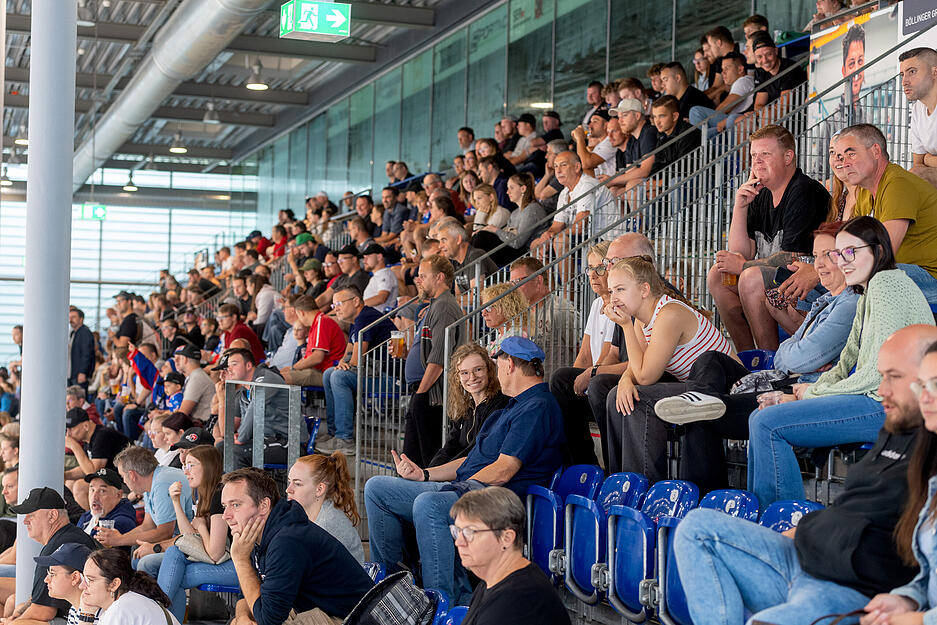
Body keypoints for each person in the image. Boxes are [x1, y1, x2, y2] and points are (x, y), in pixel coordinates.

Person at [673, 326, 937, 625]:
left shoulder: (927, 452)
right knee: (696, 527)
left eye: (894, 376)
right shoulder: (898, 428)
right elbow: (854, 505)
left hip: (846, 588)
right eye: (881, 376)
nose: (882, 389)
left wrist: (909, 605)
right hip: (799, 557)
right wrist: (802, 533)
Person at [747, 216, 936, 507]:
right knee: (759, 417)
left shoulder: (886, 285)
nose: (842, 261)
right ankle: (764, 515)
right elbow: (847, 359)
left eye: (852, 252)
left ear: (879, 252)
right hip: (876, 400)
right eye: (839, 253)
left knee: (767, 423)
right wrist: (810, 390)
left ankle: (779, 526)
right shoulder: (869, 289)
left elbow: (875, 377)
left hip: (893, 407)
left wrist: (812, 392)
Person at [365, 336, 565, 605]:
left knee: (429, 504)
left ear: (510, 366)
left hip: (496, 498)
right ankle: (389, 586)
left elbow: (504, 470)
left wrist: (455, 488)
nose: (496, 371)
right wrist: (424, 474)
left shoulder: (537, 406)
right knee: (377, 488)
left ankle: (442, 604)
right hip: (472, 487)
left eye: (497, 363)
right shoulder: (512, 406)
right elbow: (471, 459)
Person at [602, 256, 736, 479]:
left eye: (620, 290)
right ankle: (621, 482)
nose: (613, 299)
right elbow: (638, 366)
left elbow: (645, 377)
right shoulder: (641, 320)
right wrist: (625, 379)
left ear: (644, 289)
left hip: (725, 389)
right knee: (616, 394)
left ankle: (645, 487)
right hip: (696, 387)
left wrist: (625, 327)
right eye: (611, 291)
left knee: (639, 399)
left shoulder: (669, 314)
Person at [708, 124, 830, 351]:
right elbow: (741, 251)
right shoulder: (760, 193)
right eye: (754, 155)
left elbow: (795, 257)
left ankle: (769, 365)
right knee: (717, 275)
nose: (757, 161)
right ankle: (747, 357)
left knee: (751, 277)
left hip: (812, 282)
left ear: (787, 157)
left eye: (765, 154)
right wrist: (740, 206)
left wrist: (743, 265)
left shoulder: (804, 191)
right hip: (775, 278)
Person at [222, 468, 373, 625]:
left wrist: (240, 560)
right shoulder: (258, 533)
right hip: (316, 611)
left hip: (350, 619)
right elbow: (246, 590)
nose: (226, 515)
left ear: (263, 506)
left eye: (236, 505)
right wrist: (242, 618)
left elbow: (269, 620)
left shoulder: (287, 541)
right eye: (224, 506)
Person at [862, 341, 937, 624]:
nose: (925, 398)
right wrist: (907, 599)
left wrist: (918, 621)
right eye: (922, 387)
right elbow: (930, 574)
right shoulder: (931, 475)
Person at [838, 123, 937, 303]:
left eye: (851, 154)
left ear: (876, 151)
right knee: (806, 291)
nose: (844, 163)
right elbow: (849, 244)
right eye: (840, 157)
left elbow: (883, 254)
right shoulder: (865, 191)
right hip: (896, 273)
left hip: (929, 276)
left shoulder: (897, 184)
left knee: (864, 284)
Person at [451, 487, 571, 625]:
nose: (459, 542)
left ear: (506, 538)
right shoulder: (491, 582)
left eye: (469, 532)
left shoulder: (519, 601)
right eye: (457, 531)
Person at [549, 240, 617, 466]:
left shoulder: (618, 304)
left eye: (599, 269)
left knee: (565, 381)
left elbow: (607, 358)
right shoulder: (597, 304)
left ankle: (589, 464)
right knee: (561, 381)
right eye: (589, 269)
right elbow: (584, 355)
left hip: (607, 381)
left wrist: (584, 378)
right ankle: (578, 464)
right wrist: (576, 381)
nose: (593, 275)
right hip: (593, 377)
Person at [155, 445, 233, 622]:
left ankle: (157, 616)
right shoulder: (205, 492)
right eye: (185, 466)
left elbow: (215, 554)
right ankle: (159, 617)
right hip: (224, 561)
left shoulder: (220, 495)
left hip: (242, 566)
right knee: (175, 553)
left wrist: (202, 527)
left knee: (176, 576)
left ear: (208, 466)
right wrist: (175, 502)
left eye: (191, 465)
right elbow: (190, 539)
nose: (186, 471)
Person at [401, 255, 465, 467]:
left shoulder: (444, 307)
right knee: (411, 457)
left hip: (431, 394)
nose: (418, 280)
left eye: (423, 276)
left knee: (425, 458)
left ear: (439, 277)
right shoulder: (435, 306)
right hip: (425, 391)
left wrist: (421, 393)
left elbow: (439, 357)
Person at [317, 286, 395, 456]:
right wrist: (342, 364)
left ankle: (344, 439)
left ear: (356, 301)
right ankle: (334, 434)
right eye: (333, 305)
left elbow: (356, 360)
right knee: (330, 373)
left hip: (391, 378)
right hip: (374, 373)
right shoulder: (356, 321)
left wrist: (345, 365)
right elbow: (347, 357)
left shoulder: (366, 317)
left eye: (339, 303)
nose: (336, 308)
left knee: (338, 377)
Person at [0, 488, 98, 621]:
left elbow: (43, 613)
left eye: (31, 515)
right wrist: (19, 614)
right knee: (17, 606)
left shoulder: (60, 544)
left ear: (52, 516)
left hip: (81, 619)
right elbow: (40, 596)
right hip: (80, 613)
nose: (25, 521)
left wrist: (12, 623)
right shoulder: (63, 537)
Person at [95, 446, 193, 576]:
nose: (124, 481)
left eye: (123, 476)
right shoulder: (149, 483)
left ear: (132, 475)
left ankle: (155, 597)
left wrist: (120, 540)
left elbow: (164, 532)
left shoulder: (162, 482)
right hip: (177, 543)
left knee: (145, 563)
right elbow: (148, 526)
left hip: (191, 544)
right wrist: (119, 538)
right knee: (136, 556)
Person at [215, 347, 293, 469]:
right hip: (263, 439)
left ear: (248, 366)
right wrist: (222, 400)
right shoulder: (242, 393)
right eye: (228, 365)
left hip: (286, 441)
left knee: (235, 451)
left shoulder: (266, 379)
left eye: (234, 364)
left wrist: (241, 437)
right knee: (221, 446)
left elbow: (256, 406)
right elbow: (227, 431)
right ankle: (224, 487)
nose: (229, 369)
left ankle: (244, 488)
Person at [433, 344, 509, 468]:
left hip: (476, 478)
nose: (472, 377)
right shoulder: (467, 407)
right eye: (464, 373)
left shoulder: (499, 405)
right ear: (457, 377)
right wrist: (429, 471)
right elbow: (449, 447)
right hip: (455, 474)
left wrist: (436, 473)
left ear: (489, 370)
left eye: (478, 369)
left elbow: (474, 451)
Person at [529, 152, 616, 258]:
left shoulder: (587, 185)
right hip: (585, 236)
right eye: (556, 166)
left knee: (560, 241)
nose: (558, 170)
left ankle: (567, 275)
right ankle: (547, 275)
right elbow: (557, 225)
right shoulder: (564, 193)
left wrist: (554, 236)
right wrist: (547, 235)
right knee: (536, 245)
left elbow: (580, 226)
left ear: (577, 167)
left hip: (604, 237)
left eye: (563, 165)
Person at [285, 453, 365, 563]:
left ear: (319, 489)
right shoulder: (304, 516)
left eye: (297, 484)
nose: (288, 490)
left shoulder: (327, 525)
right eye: (290, 482)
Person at [80, 548, 180, 625]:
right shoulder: (127, 602)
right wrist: (87, 614)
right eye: (83, 578)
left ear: (114, 584)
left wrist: (86, 617)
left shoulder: (121, 608)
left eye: (90, 580)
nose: (82, 586)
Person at [473, 173, 547, 267]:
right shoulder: (515, 212)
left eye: (511, 188)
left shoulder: (532, 209)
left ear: (523, 189)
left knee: (482, 236)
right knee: (477, 236)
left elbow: (517, 242)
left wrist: (495, 230)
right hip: (514, 249)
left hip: (526, 252)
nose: (507, 192)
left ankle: (475, 273)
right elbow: (508, 235)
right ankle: (472, 272)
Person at [64, 407, 131, 510]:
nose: (68, 434)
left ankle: (91, 521)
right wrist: (66, 475)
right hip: (110, 480)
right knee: (69, 482)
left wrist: (74, 446)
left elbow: (92, 471)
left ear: (86, 426)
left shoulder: (102, 436)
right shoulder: (89, 439)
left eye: (71, 429)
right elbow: (85, 468)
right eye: (67, 430)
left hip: (127, 483)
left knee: (80, 486)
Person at [280, 295, 346, 387]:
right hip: (321, 371)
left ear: (301, 313)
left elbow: (317, 357)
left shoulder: (322, 322)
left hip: (328, 373)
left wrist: (293, 368)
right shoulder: (316, 323)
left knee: (280, 378)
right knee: (279, 374)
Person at [689, 51, 754, 136]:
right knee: (702, 137)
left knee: (695, 111)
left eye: (727, 68)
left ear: (740, 69)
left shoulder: (743, 81)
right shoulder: (739, 83)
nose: (723, 73)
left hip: (735, 126)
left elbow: (725, 107)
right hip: (731, 126)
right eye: (722, 69)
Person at [34, 543, 100, 625]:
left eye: (52, 574)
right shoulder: (74, 610)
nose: (46, 580)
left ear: (75, 577)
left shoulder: (96, 615)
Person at [902, 47, 937, 189]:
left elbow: (923, 164)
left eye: (912, 72)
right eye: (902, 75)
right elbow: (919, 163)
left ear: (934, 72)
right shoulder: (917, 109)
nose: (904, 81)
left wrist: (928, 158)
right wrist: (927, 159)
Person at [750, 32, 808, 113]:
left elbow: (783, 107)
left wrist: (765, 111)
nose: (765, 60)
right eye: (759, 57)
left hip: (795, 116)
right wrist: (765, 111)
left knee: (768, 116)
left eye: (768, 54)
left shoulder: (789, 68)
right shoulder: (760, 72)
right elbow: (758, 105)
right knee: (739, 120)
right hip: (772, 114)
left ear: (776, 51)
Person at [436, 219, 497, 294]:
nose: (440, 246)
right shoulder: (454, 262)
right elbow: (458, 295)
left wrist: (454, 302)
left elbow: (476, 297)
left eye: (444, 240)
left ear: (458, 239)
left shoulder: (475, 255)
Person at [77, 468, 138, 538]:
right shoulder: (86, 516)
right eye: (92, 490)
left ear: (119, 495)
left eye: (102, 491)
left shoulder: (119, 523)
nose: (94, 497)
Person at [479, 283, 529, 356]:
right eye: (483, 308)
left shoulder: (516, 338)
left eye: (488, 308)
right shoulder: (502, 336)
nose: (483, 314)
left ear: (506, 307)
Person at [173, 344, 214, 424]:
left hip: (203, 427)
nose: (176, 362)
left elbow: (183, 413)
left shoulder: (197, 378)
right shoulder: (195, 375)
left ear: (185, 359)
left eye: (178, 359)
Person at [361, 244, 398, 312]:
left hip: (381, 318)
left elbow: (381, 298)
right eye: (364, 257)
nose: (364, 261)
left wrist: (360, 305)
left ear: (379, 257)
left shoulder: (385, 274)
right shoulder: (379, 275)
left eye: (368, 257)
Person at [69, 306, 96, 389]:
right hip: (73, 372)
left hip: (79, 374)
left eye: (73, 317)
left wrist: (83, 372)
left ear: (81, 319)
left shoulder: (85, 333)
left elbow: (86, 354)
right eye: (69, 317)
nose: (70, 320)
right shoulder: (74, 333)